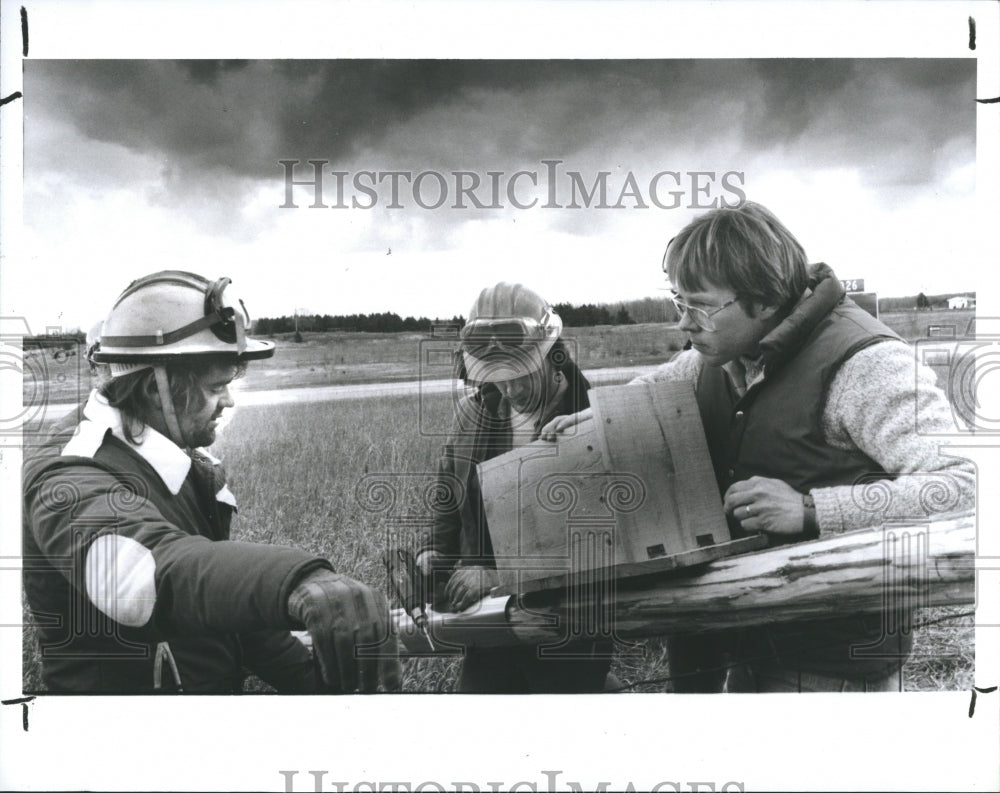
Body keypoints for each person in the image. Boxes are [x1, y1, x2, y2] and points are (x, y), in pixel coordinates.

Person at [542, 202, 975, 692]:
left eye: (700, 305)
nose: (684, 323)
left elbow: (965, 485)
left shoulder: (867, 364)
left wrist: (812, 510)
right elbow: (667, 380)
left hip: (826, 662)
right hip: (725, 635)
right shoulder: (720, 351)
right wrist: (605, 415)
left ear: (766, 300)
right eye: (677, 301)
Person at [23, 270, 399, 694]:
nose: (229, 399)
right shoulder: (68, 473)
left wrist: (312, 681)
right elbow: (152, 574)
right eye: (216, 386)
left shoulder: (178, 457)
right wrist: (294, 580)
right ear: (154, 386)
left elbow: (228, 612)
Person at [415, 282, 613, 693]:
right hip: (485, 625)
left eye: (519, 376)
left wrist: (502, 575)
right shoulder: (473, 413)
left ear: (553, 355)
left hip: (568, 625)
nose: (509, 391)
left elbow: (603, 538)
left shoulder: (591, 415)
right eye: (495, 378)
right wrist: (434, 551)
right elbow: (448, 493)